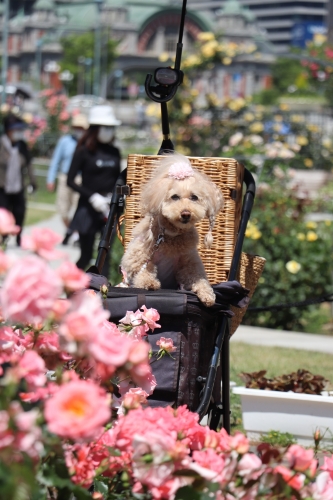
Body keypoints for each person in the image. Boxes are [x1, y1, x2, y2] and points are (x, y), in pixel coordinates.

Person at [67, 105, 122, 276]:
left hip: (108, 208)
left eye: (111, 128)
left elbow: (118, 179)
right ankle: (70, 285)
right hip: (88, 208)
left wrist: (113, 199)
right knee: (86, 255)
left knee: (104, 256)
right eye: (105, 128)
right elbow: (71, 181)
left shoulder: (114, 152)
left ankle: (101, 294)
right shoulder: (83, 151)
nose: (108, 131)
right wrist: (92, 197)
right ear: (95, 128)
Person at [46, 113, 88, 245]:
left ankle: (75, 235)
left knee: (78, 209)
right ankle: (73, 232)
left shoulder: (88, 143)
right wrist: (50, 178)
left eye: (81, 128)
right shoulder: (65, 141)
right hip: (65, 178)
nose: (78, 130)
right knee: (63, 209)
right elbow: (56, 161)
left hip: (80, 179)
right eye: (76, 127)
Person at [0, 113, 37, 246]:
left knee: (20, 212)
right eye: (15, 130)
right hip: (2, 187)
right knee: (3, 215)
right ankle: (3, 238)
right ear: (8, 130)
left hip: (18, 187)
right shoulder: (1, 144)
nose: (18, 133)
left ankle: (18, 237)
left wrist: (33, 182)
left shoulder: (22, 145)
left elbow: (29, 164)